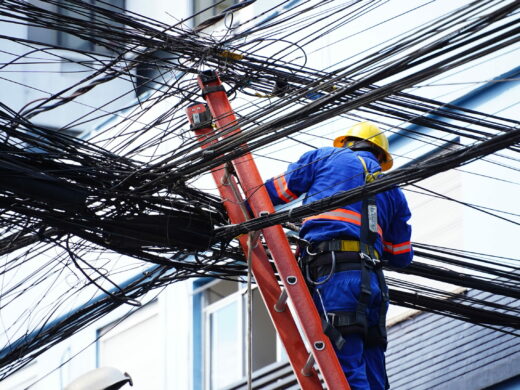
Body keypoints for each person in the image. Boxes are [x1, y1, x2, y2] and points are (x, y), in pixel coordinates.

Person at [264, 121, 413, 390]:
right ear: (381, 156)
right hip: (375, 287)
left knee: (345, 366)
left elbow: (273, 193)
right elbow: (401, 256)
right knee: (373, 368)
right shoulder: (394, 191)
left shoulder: (323, 157)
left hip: (333, 275)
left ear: (346, 142)